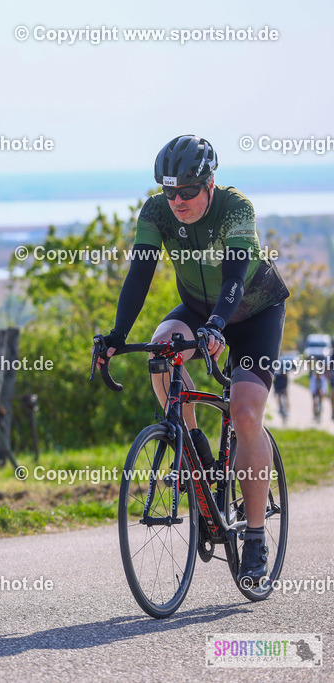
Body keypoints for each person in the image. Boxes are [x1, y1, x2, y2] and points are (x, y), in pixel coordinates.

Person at [97, 135, 289, 586]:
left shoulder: (235, 207)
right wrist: (116, 337)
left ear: (210, 183)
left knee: (244, 412)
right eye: (170, 192)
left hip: (253, 311)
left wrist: (220, 325)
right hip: (201, 311)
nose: (177, 201)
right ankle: (196, 452)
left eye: (187, 191)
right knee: (162, 349)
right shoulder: (156, 212)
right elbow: (139, 274)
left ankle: (256, 538)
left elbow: (237, 276)